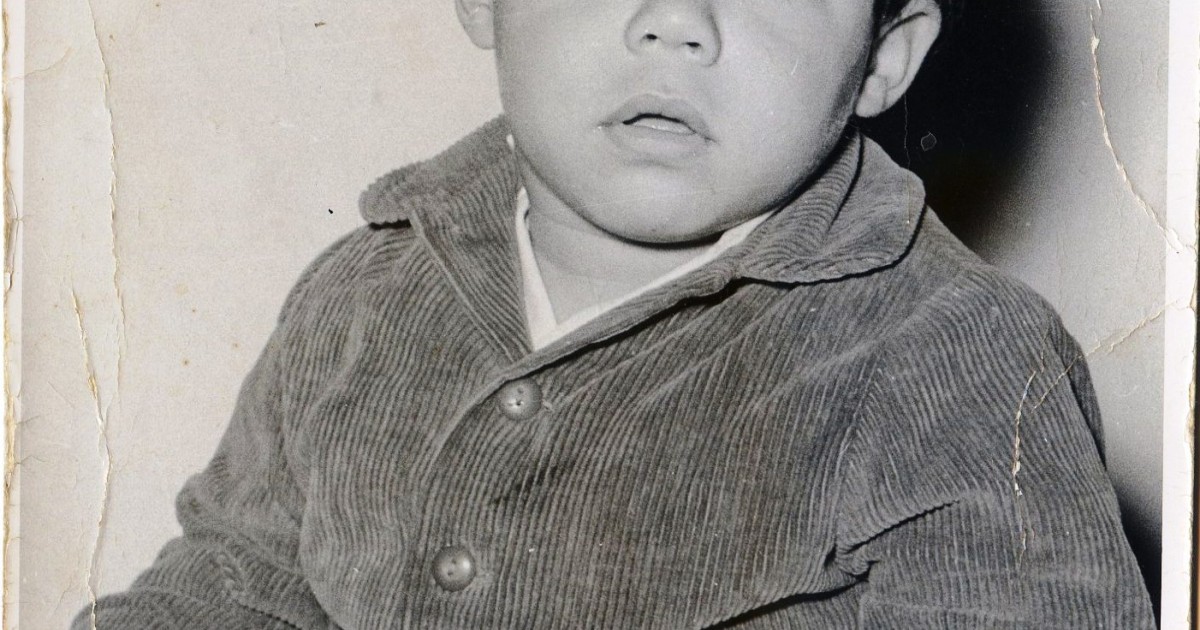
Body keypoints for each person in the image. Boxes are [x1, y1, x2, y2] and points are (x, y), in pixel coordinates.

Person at [74, 0, 1156, 627]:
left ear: (883, 57)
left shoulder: (960, 364)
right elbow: (239, 586)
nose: (676, 22)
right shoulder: (366, 289)